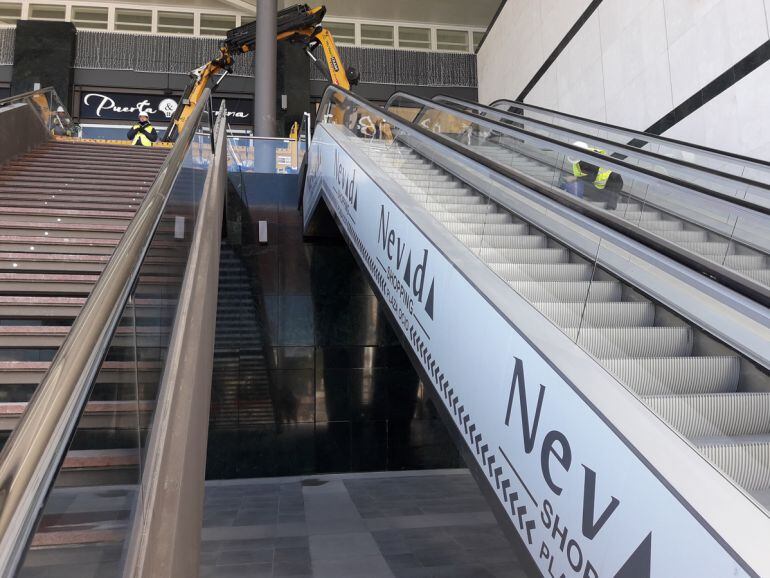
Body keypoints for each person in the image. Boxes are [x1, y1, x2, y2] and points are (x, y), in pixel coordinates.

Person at [565, 141, 622, 210]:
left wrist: (575, 178)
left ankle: (608, 212)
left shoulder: (584, 162)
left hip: (612, 180)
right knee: (610, 200)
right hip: (613, 179)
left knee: (610, 203)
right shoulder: (591, 153)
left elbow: (592, 177)